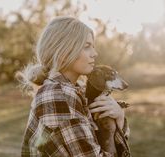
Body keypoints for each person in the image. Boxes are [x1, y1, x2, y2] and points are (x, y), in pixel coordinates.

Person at [19, 16, 131, 157]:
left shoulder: (75, 91)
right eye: (87, 47)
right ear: (64, 52)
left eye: (93, 47)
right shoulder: (59, 96)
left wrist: (119, 118)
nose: (95, 54)